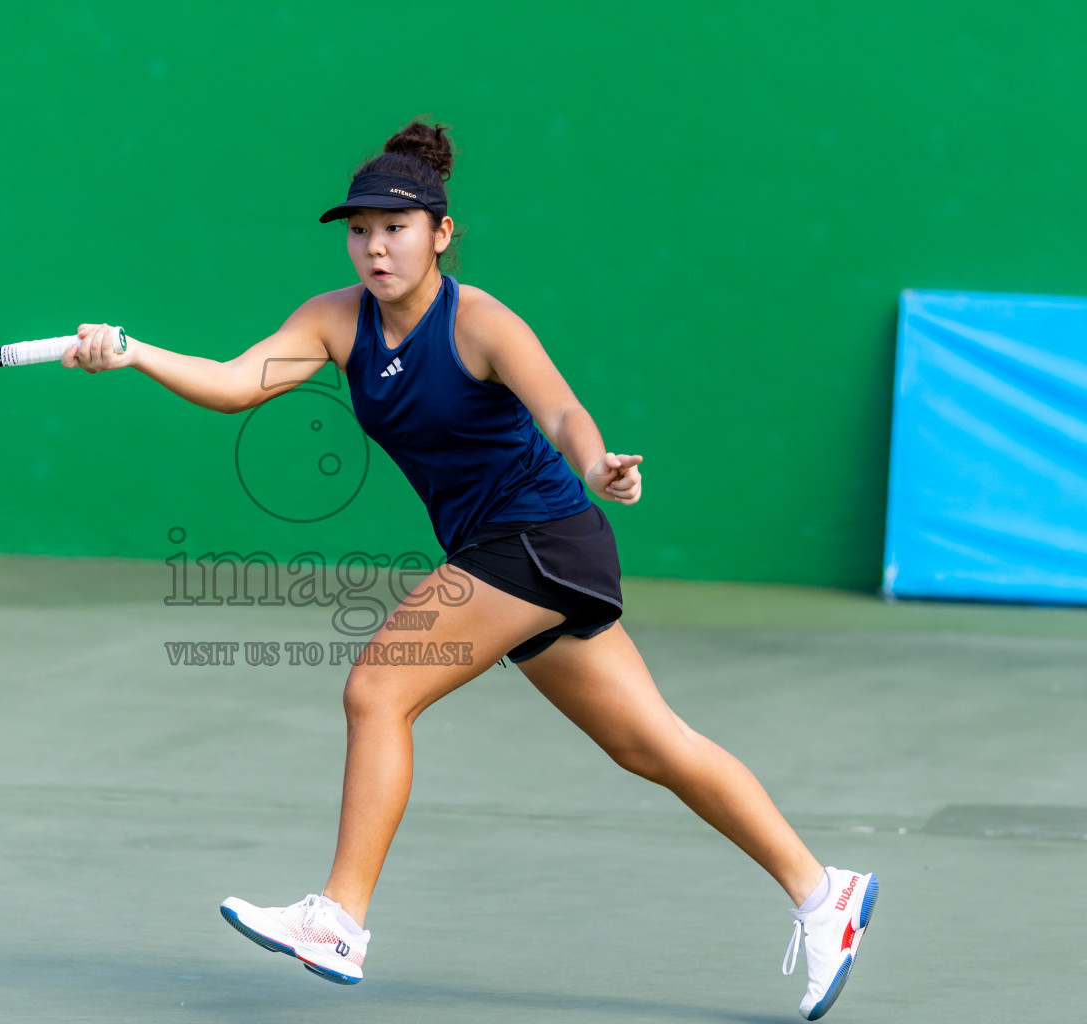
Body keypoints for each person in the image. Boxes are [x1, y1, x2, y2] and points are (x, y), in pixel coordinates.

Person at [65, 120, 878, 1021]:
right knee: (650, 744)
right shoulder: (334, 321)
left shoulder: (481, 321)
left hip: (540, 536)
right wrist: (131, 351)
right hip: (512, 554)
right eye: (360, 229)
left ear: (441, 234)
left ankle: (339, 918)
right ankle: (824, 891)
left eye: (396, 228)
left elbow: (563, 413)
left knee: (378, 690)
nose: (375, 246)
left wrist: (600, 466)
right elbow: (235, 382)